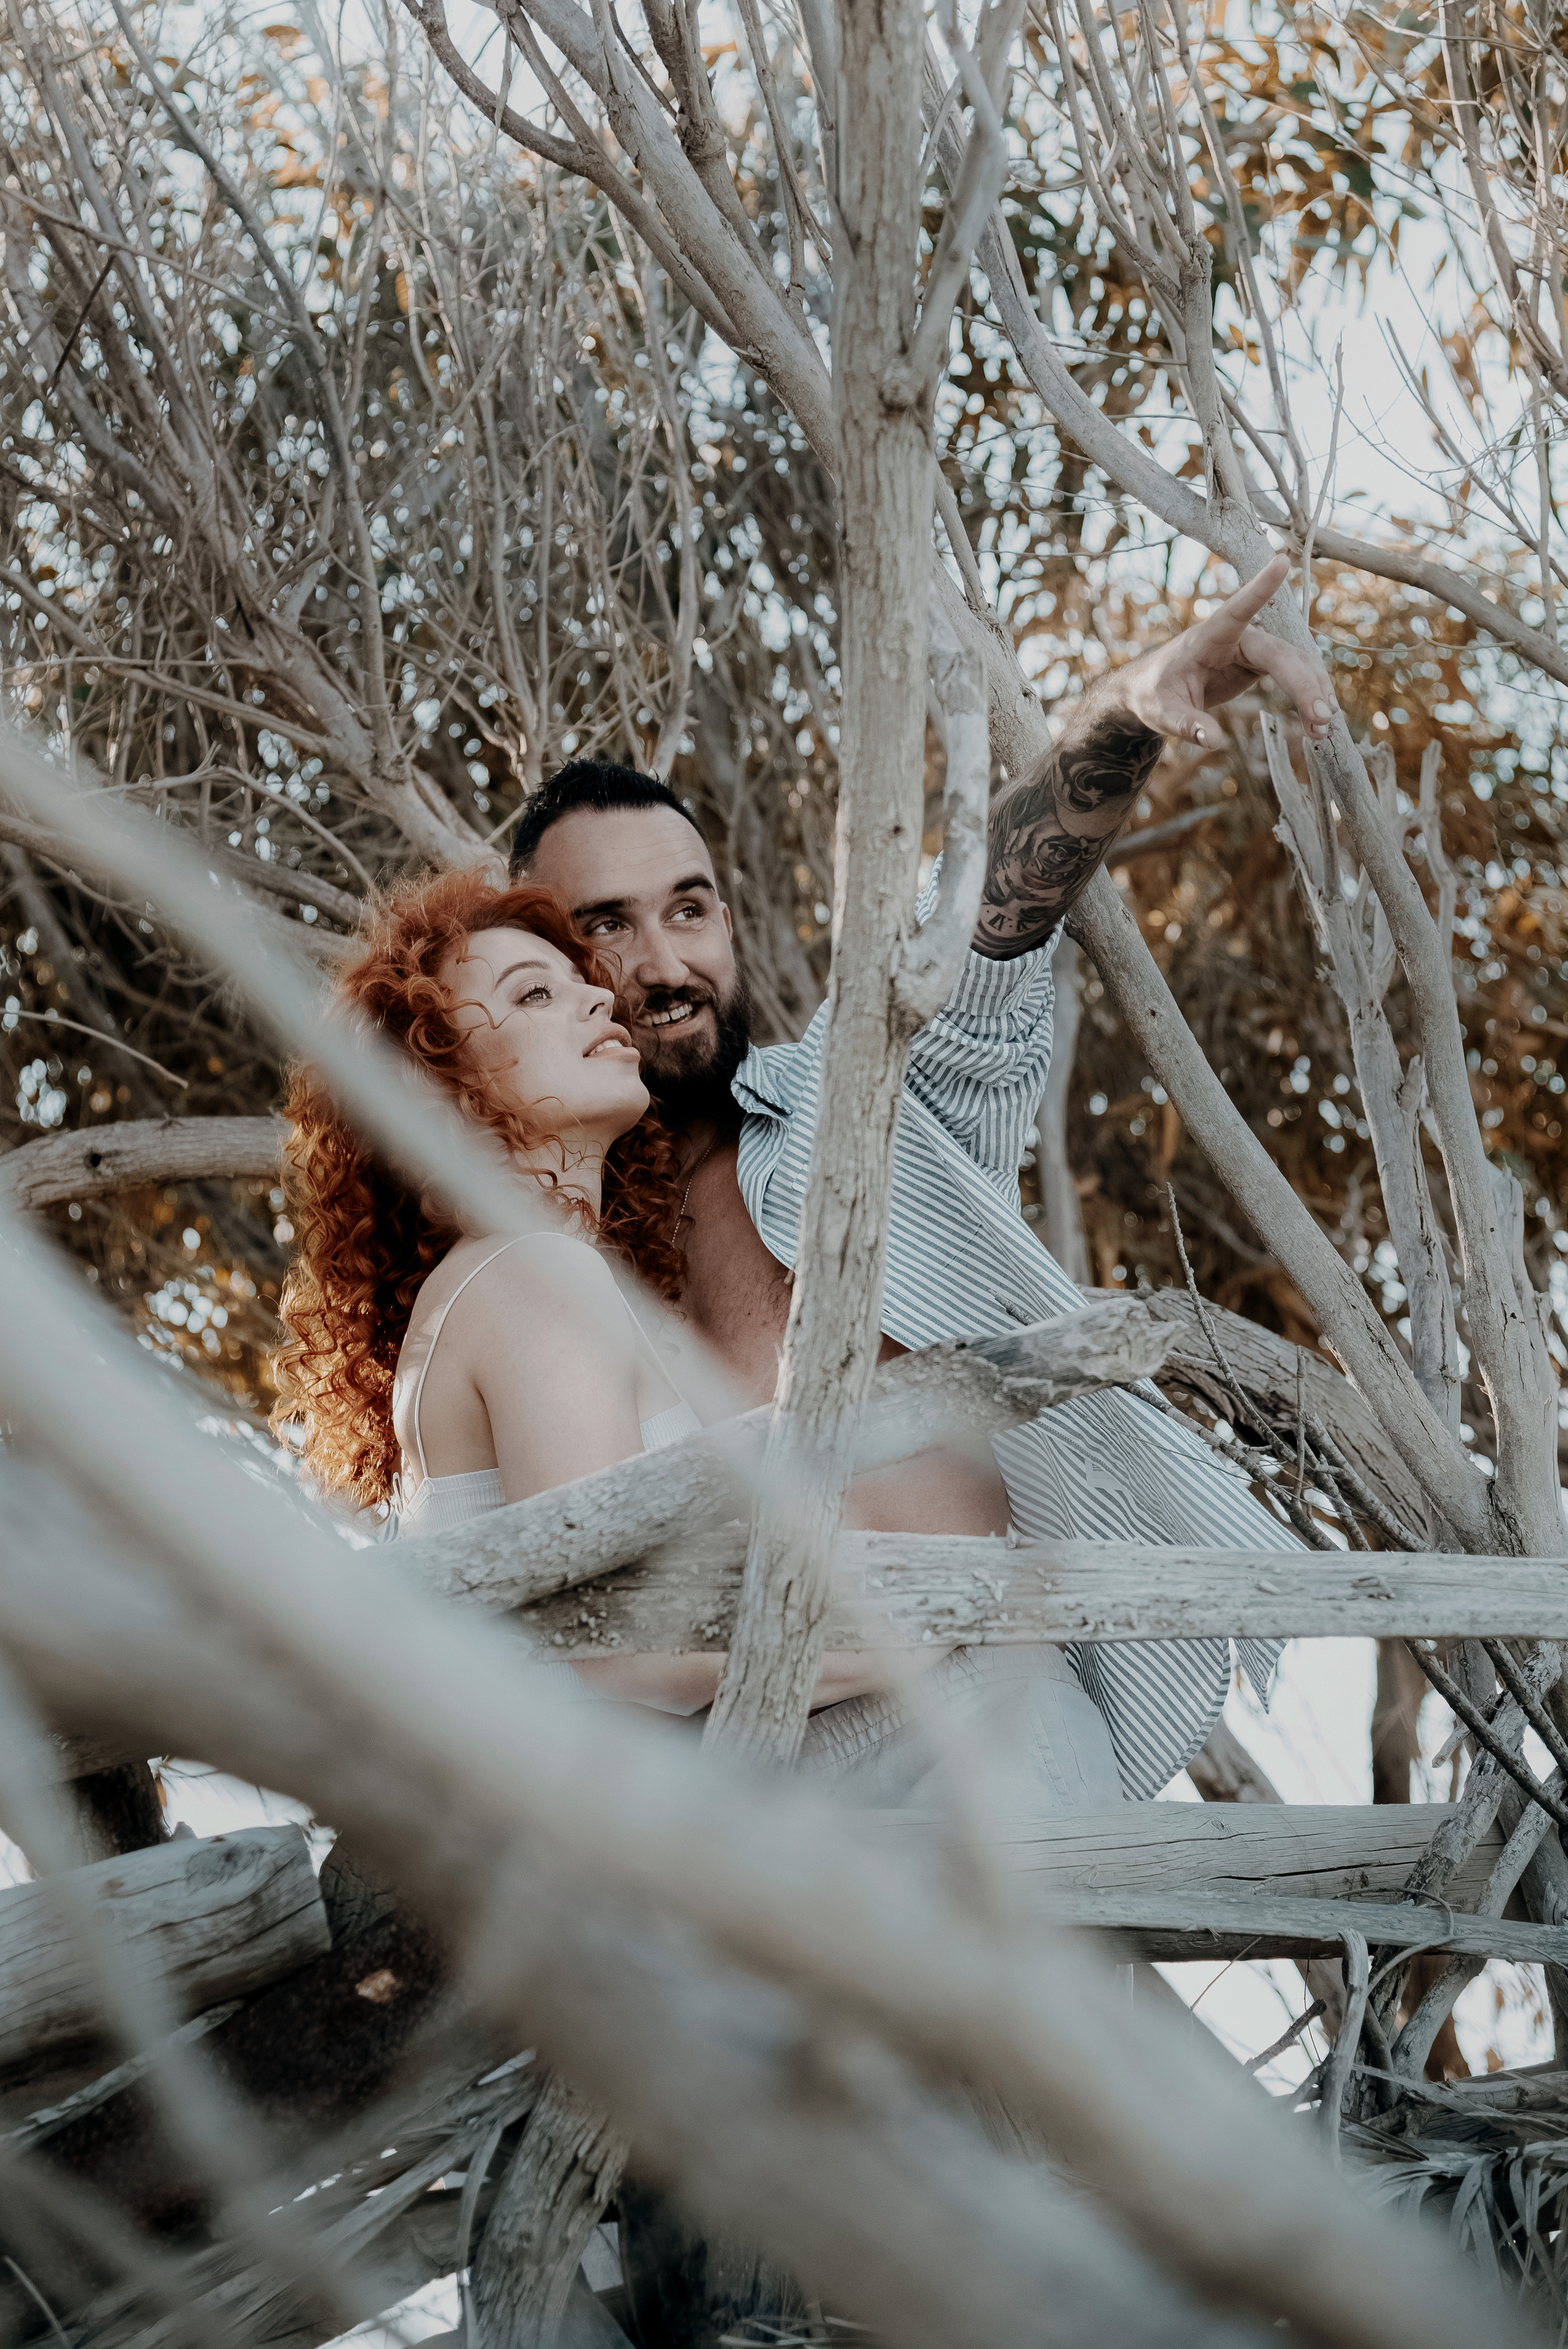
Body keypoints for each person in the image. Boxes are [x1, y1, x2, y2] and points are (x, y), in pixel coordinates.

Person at [512, 555, 1338, 1805]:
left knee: (1021, 1998)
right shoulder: (540, 1263)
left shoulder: (854, 1101)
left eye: (688, 910)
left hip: (979, 1707)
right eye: (604, 927)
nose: (661, 960)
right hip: (714, 1792)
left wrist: (1131, 709)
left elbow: (981, 922)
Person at [271, 869, 967, 1719]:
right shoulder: (530, 1271)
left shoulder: (534, 1277)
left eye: (581, 986)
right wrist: (943, 1613)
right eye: (533, 994)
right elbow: (631, 1646)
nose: (598, 1004)